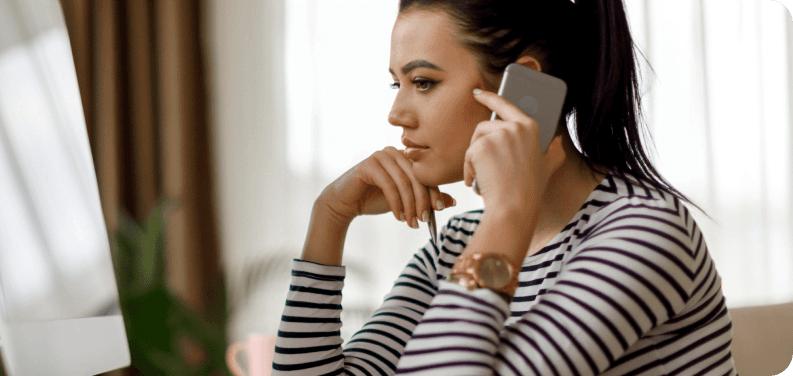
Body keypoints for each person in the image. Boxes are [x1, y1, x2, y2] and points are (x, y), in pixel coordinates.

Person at [270, 0, 738, 375]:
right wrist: (329, 218)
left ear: (523, 88)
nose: (397, 114)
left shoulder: (645, 231)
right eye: (396, 84)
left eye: (423, 82)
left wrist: (507, 212)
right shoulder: (454, 248)